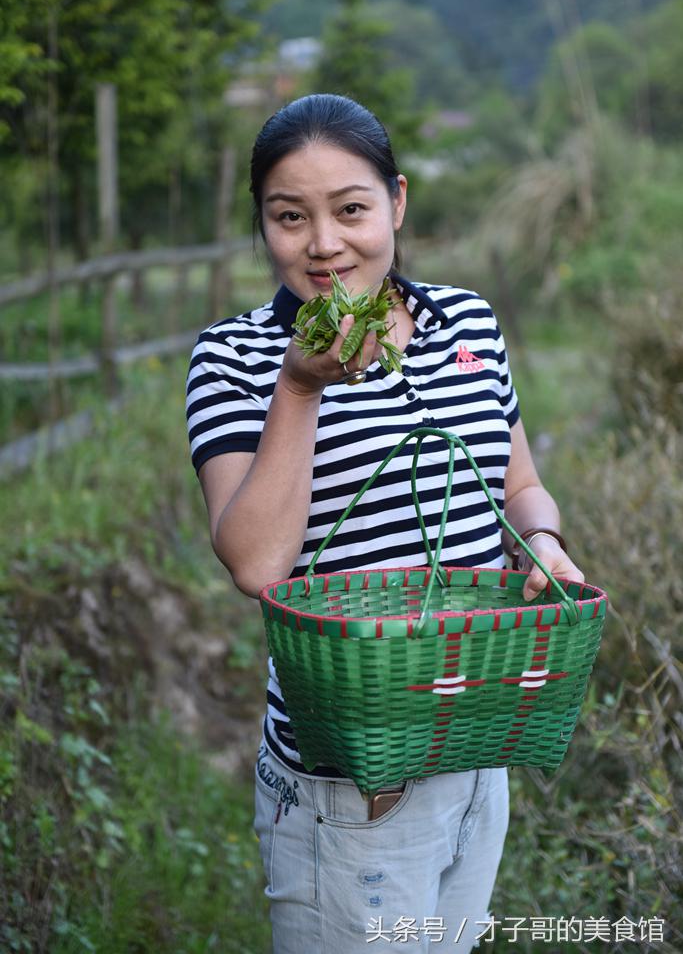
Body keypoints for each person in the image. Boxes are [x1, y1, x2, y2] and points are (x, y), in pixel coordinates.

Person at [185, 93, 584, 953]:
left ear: (396, 202)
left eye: (351, 210)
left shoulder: (465, 322)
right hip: (352, 783)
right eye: (290, 217)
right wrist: (299, 388)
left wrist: (544, 544)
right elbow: (256, 565)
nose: (323, 244)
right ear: (262, 224)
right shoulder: (235, 357)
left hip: (475, 749)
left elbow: (520, 484)